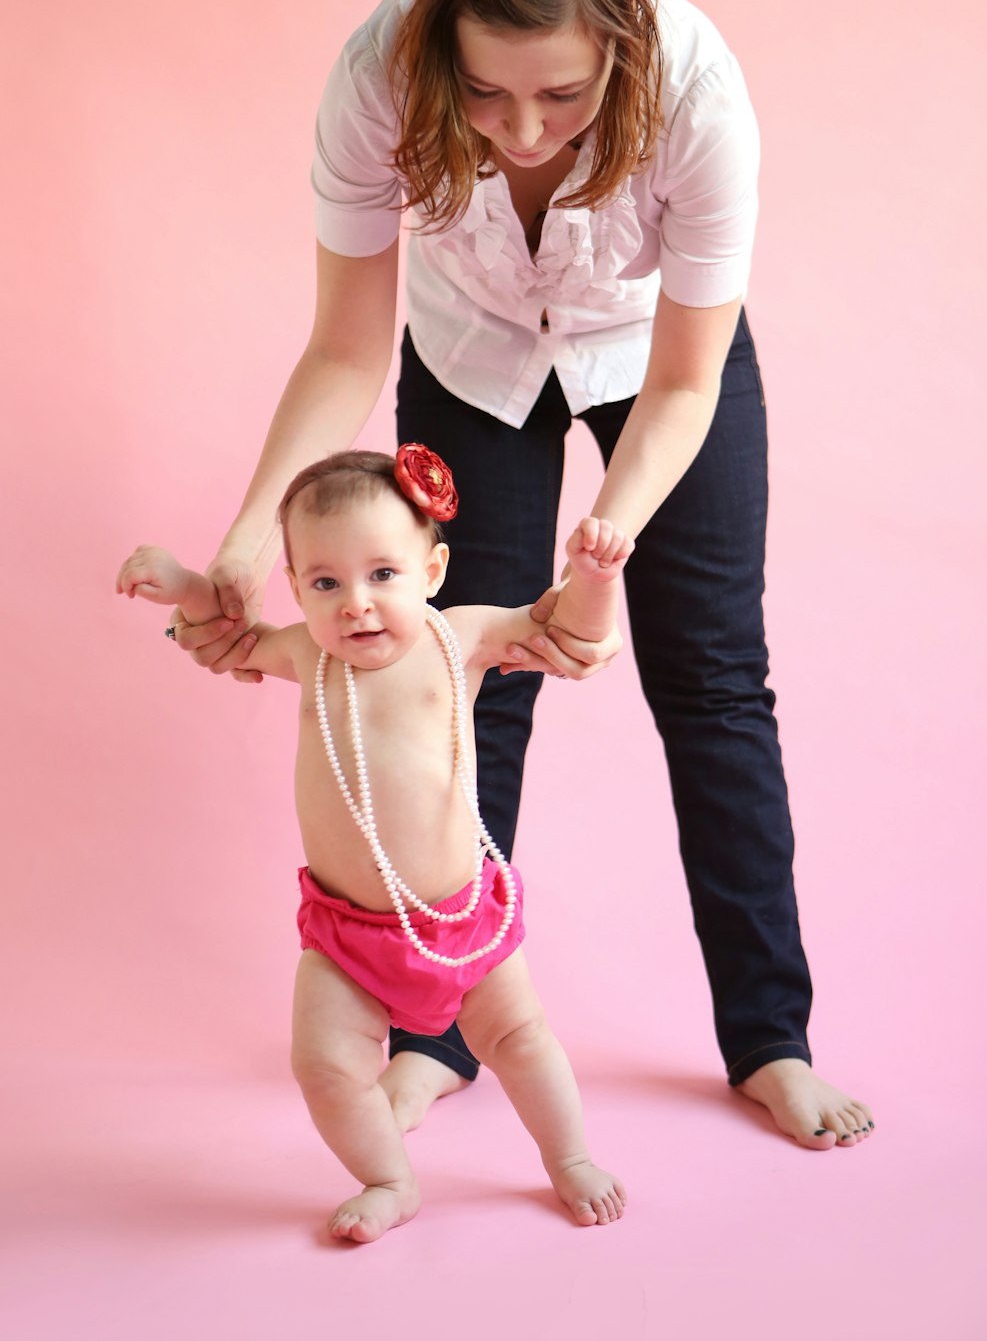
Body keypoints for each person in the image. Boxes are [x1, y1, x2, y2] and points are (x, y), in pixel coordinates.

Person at [168, 0, 873, 1149]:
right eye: (485, 93)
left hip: (654, 359)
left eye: (563, 91)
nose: (525, 127)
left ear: (621, 40)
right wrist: (244, 533)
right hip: (471, 355)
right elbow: (344, 347)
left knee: (714, 678)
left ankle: (771, 1039)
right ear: (441, 42)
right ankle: (441, 1035)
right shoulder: (377, 76)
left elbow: (687, 378)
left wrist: (615, 523)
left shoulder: (701, 91)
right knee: (456, 684)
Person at [117, 447, 632, 1239]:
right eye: (326, 583)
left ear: (433, 569)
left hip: (460, 920)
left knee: (523, 1041)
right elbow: (228, 635)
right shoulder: (305, 652)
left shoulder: (457, 637)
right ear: (297, 589)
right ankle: (390, 1180)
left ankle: (570, 1161)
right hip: (347, 937)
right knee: (324, 1069)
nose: (356, 603)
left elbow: (561, 628)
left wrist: (595, 583)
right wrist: (188, 587)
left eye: (382, 575)